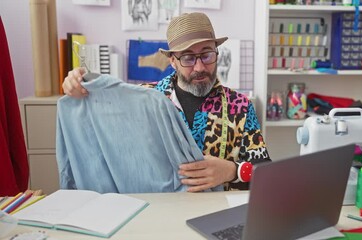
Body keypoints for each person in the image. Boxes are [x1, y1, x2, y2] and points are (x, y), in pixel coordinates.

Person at [62, 12, 271, 192]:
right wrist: (79, 85)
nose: (199, 67)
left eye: (206, 55)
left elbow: (266, 173)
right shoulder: (144, 100)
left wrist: (232, 171)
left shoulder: (240, 107)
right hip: (157, 213)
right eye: (188, 58)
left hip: (216, 214)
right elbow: (104, 131)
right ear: (172, 60)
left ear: (216, 53)